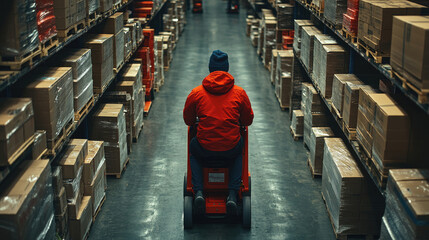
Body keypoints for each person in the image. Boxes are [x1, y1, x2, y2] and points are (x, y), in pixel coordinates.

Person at [183, 50, 254, 216]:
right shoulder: (239, 93)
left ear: (210, 69)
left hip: (205, 149)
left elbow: (188, 120)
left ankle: (199, 192)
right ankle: (231, 194)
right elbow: (247, 121)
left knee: (194, 148)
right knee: (239, 149)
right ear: (227, 69)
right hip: (229, 149)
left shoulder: (196, 93)